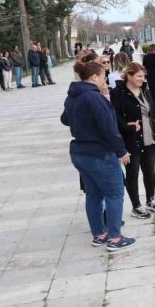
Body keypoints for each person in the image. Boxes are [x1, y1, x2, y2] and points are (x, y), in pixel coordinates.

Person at [61, 59, 136, 252]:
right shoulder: (94, 97)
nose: (105, 80)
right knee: (114, 193)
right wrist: (121, 150)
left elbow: (65, 119)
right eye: (103, 77)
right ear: (94, 77)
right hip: (100, 153)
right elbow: (109, 128)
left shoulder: (73, 96)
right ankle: (115, 238)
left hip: (80, 152)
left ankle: (99, 234)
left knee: (93, 195)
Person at [110, 62, 155, 218]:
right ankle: (136, 206)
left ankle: (150, 199)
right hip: (131, 139)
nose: (142, 79)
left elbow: (153, 113)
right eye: (139, 76)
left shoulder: (144, 89)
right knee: (133, 173)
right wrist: (127, 127)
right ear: (129, 76)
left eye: (143, 76)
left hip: (149, 137)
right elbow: (114, 116)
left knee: (150, 171)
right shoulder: (118, 93)